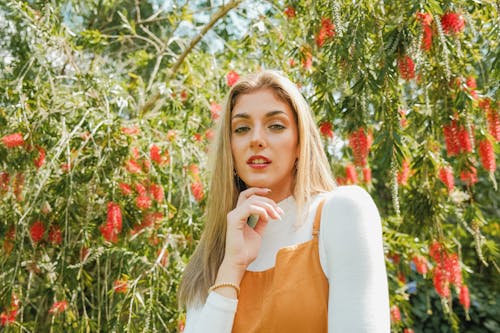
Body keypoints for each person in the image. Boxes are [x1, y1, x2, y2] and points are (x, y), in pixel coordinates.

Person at [178, 70, 390, 332]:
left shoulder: (341, 212)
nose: (256, 139)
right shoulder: (216, 253)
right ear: (230, 149)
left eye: (276, 125)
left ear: (300, 142)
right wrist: (233, 265)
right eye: (242, 128)